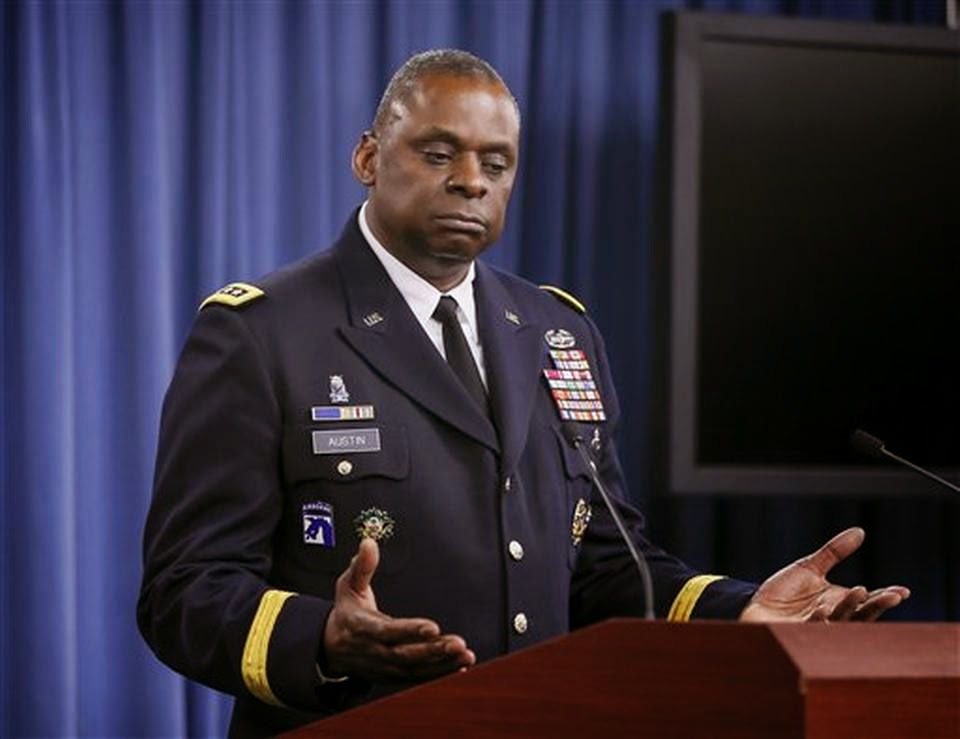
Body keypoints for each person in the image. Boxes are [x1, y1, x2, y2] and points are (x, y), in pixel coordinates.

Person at [137, 49, 909, 737]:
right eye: (438, 153)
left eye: (497, 163)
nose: (471, 180)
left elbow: (606, 565)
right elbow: (184, 590)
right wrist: (323, 639)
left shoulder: (557, 330)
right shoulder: (262, 333)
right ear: (368, 157)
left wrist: (741, 607)